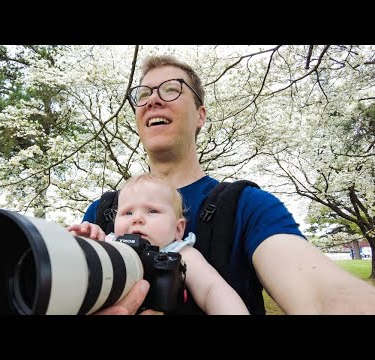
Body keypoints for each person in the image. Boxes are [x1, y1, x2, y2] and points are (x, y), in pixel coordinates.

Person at [79, 55, 375, 315]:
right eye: (142, 94)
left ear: (200, 115)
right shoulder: (102, 212)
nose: (153, 100)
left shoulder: (247, 206)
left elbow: (322, 295)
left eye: (172, 89)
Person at [68, 173, 250, 315]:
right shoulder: (110, 244)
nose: (137, 219)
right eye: (127, 213)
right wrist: (86, 243)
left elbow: (212, 289)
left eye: (152, 211)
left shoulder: (179, 253)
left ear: (178, 229)